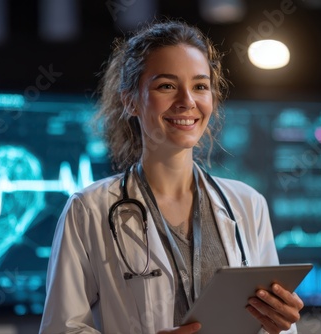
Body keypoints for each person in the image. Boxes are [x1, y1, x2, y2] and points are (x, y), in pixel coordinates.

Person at [39, 19, 304, 334]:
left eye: (200, 86)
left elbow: (274, 329)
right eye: (166, 85)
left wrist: (281, 323)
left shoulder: (247, 205)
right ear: (130, 100)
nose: (187, 101)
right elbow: (60, 329)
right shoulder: (88, 210)